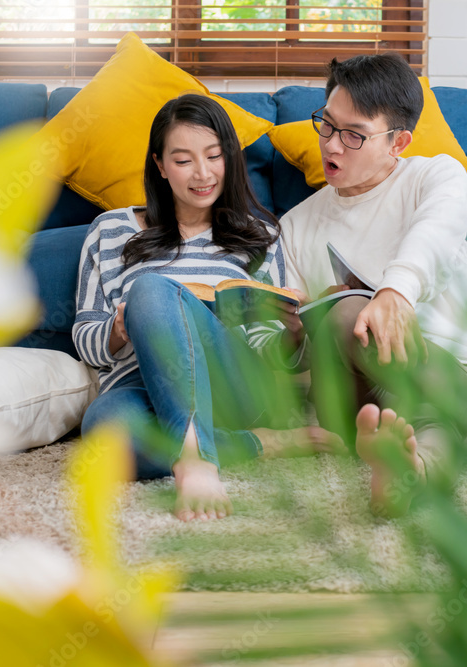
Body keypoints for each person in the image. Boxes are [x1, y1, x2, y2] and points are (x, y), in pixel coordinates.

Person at [73, 94, 342, 522]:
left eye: (214, 156)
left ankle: (196, 460)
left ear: (230, 159)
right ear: (159, 166)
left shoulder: (261, 235)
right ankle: (261, 443)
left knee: (150, 289)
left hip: (231, 385)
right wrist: (118, 330)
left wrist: (291, 334)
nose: (202, 173)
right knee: (104, 435)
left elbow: (267, 350)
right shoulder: (110, 230)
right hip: (140, 386)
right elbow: (86, 338)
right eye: (183, 161)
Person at [277, 53, 467, 517]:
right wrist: (293, 333)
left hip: (440, 371)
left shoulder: (435, 176)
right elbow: (292, 349)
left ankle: (411, 472)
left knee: (429, 424)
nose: (331, 146)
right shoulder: (295, 224)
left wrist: (394, 294)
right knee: (347, 316)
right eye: (326, 125)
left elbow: (433, 237)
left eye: (353, 135)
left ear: (397, 142)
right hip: (350, 402)